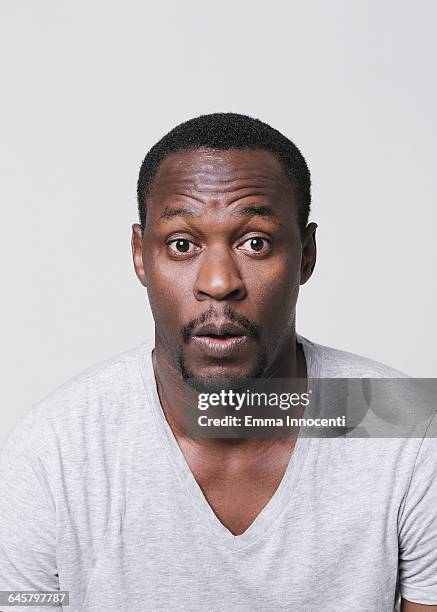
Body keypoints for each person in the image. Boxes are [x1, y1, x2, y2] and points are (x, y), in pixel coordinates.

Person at [0, 113, 436, 612]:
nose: (218, 281)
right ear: (141, 256)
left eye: (255, 242)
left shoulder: (408, 427)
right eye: (182, 244)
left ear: (307, 254)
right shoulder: (51, 453)